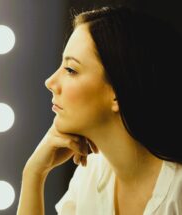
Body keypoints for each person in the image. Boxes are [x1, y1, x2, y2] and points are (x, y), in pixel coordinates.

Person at [17, 5, 182, 215]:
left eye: (71, 69)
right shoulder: (92, 174)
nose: (50, 82)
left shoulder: (177, 192)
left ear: (118, 92)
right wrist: (34, 173)